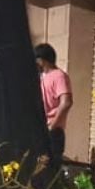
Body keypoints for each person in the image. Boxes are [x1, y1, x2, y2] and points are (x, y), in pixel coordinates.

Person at [34, 43, 72, 181]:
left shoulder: (59, 76)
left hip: (52, 131)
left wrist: (52, 125)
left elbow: (66, 102)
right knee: (39, 173)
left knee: (49, 173)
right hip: (42, 130)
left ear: (41, 60)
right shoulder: (43, 77)